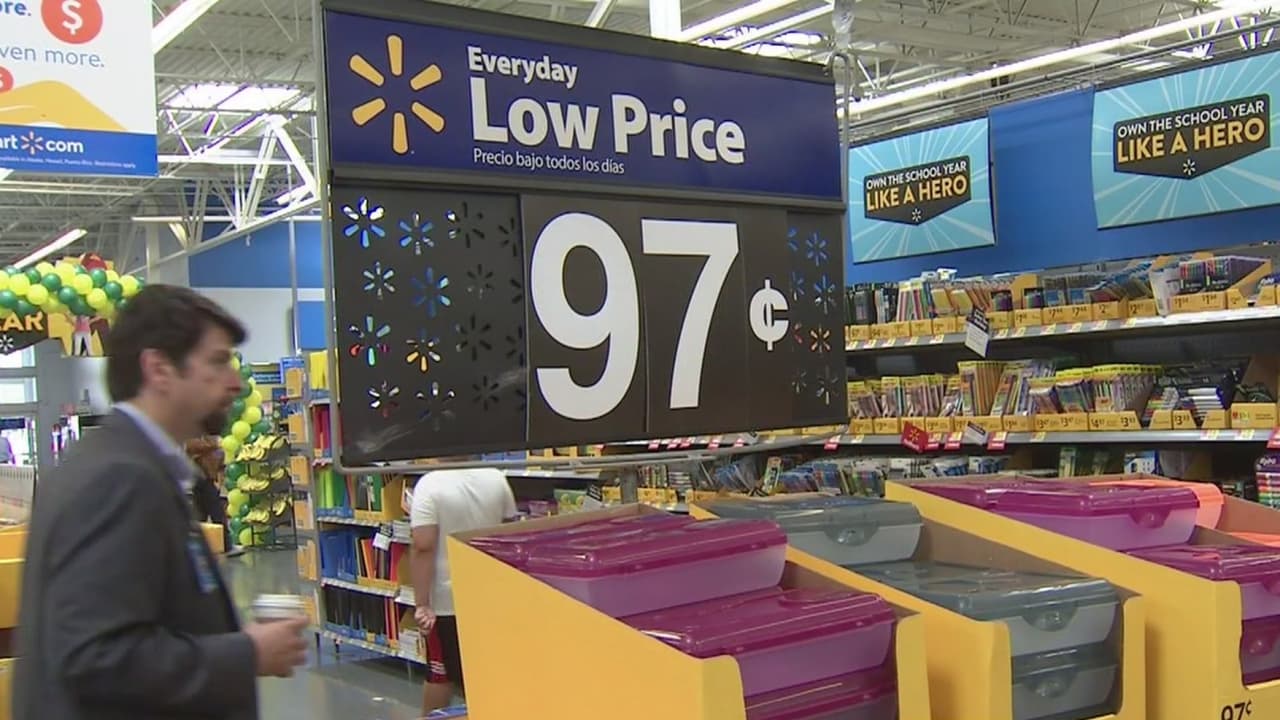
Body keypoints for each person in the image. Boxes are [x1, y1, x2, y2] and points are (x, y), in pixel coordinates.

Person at [13, 284, 308, 720]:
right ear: (159, 369)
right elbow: (98, 659)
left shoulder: (126, 463)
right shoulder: (120, 478)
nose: (235, 382)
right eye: (217, 361)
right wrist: (246, 653)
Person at [410, 464, 516, 713]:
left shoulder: (430, 484)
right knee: (490, 674)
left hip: (447, 601)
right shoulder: (496, 478)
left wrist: (422, 604)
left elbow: (423, 546)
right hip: (492, 597)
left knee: (440, 675)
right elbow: (510, 534)